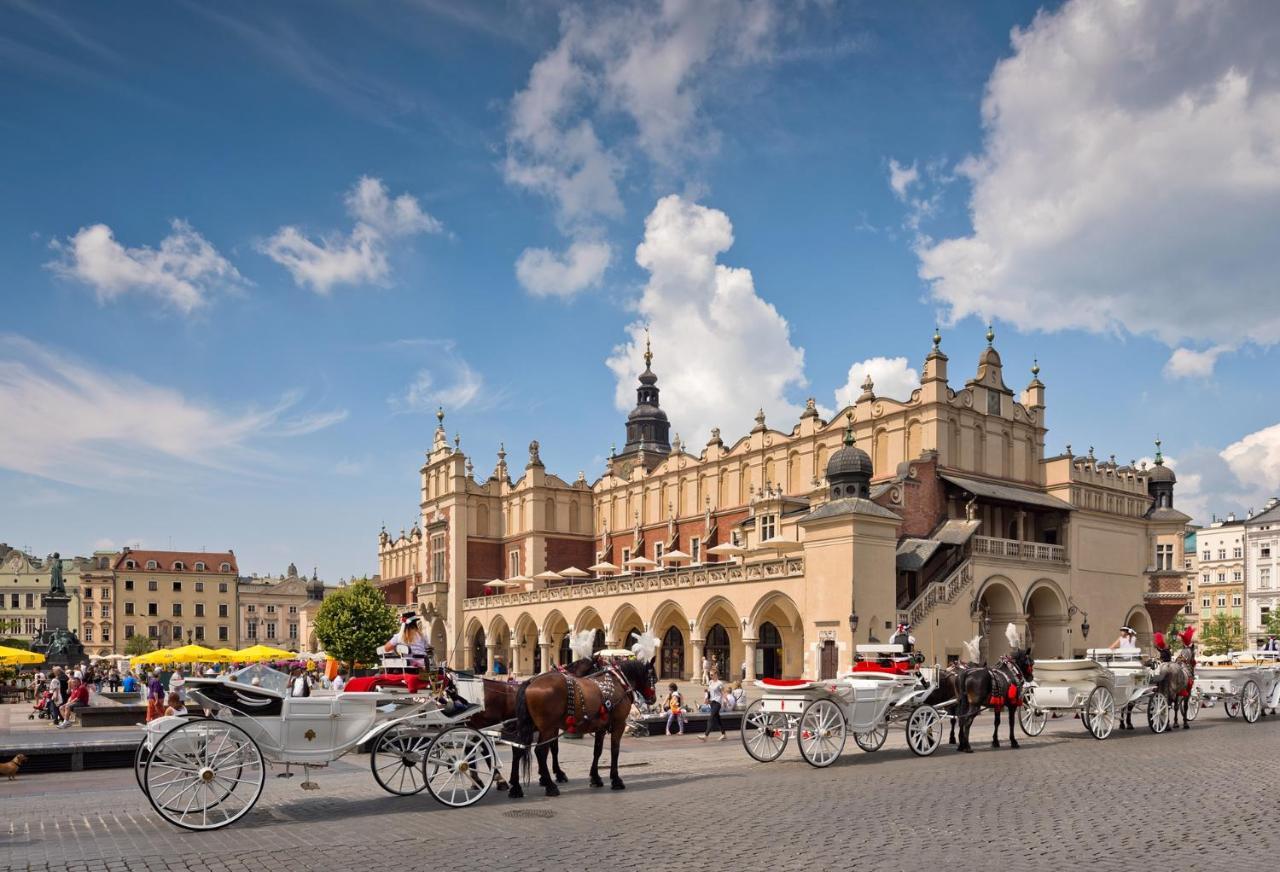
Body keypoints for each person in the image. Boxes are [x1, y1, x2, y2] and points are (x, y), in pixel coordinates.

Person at [699, 670, 726, 742]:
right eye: (710, 675)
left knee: (711, 718)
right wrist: (706, 699)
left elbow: (723, 692)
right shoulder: (710, 682)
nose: (710, 676)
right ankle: (723, 734)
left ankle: (705, 735)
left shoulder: (720, 683)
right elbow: (708, 691)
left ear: (716, 674)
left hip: (717, 702)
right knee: (718, 719)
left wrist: (726, 700)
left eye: (712, 675)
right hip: (711, 702)